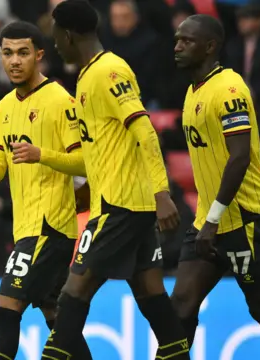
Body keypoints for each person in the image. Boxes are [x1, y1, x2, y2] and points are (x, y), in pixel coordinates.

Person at [47, 1, 190, 359]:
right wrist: (44, 157)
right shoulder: (86, 75)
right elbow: (97, 153)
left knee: (71, 294)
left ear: (68, 34)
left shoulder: (109, 70)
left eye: (55, 36)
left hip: (121, 205)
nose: (53, 45)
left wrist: (162, 192)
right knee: (151, 295)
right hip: (123, 203)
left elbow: (145, 130)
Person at [0, 21, 86, 360]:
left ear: (39, 55)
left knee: (4, 309)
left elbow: (86, 162)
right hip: (26, 226)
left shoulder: (61, 100)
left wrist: (41, 154)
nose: (15, 61)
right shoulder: (3, 107)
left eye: (23, 53)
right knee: (58, 319)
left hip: (50, 225)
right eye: (8, 53)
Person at [171, 15, 260, 358]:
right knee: (180, 306)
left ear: (210, 46)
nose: (177, 47)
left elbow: (240, 158)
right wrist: (209, 219)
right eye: (177, 39)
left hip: (246, 216)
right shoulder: (193, 92)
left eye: (187, 41)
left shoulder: (229, 89)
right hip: (210, 219)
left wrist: (214, 219)